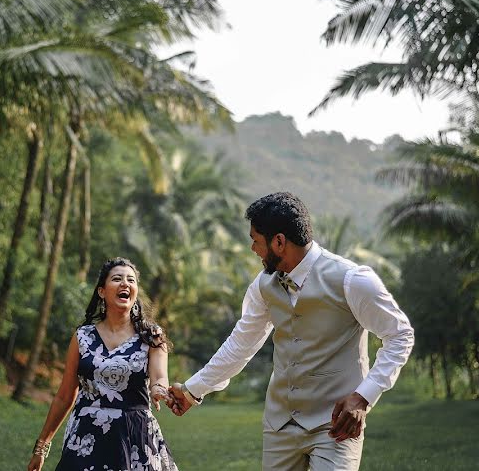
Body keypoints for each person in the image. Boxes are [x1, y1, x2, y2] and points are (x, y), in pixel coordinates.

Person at [168, 192, 414, 471]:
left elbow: (400, 335)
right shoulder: (263, 285)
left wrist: (363, 396)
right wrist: (193, 391)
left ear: (280, 242)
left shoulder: (352, 280)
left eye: (256, 240)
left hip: (335, 424)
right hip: (280, 424)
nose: (253, 248)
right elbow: (241, 345)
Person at [27, 257, 178, 471]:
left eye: (131, 280)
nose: (125, 284)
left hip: (134, 437)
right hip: (86, 438)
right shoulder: (83, 337)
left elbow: (160, 377)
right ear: (102, 291)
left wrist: (159, 390)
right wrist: (41, 447)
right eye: (117, 279)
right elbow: (64, 396)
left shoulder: (152, 336)